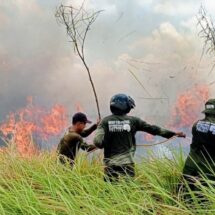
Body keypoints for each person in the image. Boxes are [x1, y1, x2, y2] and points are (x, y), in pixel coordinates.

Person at [93, 93, 186, 182]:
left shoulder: (104, 121)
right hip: (127, 164)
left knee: (110, 191)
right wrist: (173, 134)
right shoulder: (133, 121)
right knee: (129, 191)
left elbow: (97, 142)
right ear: (125, 106)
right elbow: (153, 129)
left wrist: (105, 142)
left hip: (110, 165)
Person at [183, 99, 215, 190]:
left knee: (184, 194)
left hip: (190, 166)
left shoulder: (196, 124)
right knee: (202, 201)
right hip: (208, 172)